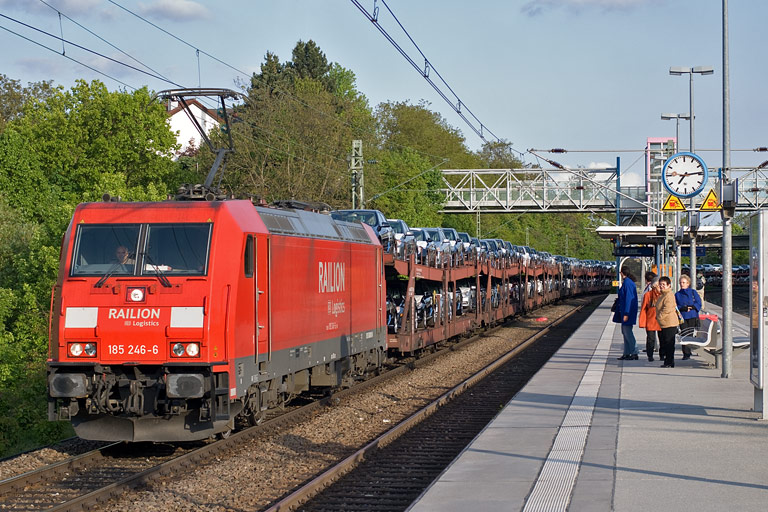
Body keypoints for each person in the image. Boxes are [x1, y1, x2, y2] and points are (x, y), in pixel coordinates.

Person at [613, 266, 639, 360]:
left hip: (627, 312)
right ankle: (627, 352)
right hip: (626, 311)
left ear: (621, 273)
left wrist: (626, 314)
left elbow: (629, 299)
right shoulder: (628, 282)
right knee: (625, 332)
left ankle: (634, 352)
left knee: (627, 332)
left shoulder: (627, 283)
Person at [675, 274, 702, 360]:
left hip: (692, 316)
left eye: (684, 282)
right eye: (681, 282)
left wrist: (692, 307)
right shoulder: (677, 294)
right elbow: (675, 305)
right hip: (682, 316)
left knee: (690, 333)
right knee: (684, 333)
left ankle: (688, 350)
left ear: (688, 283)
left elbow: (698, 303)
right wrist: (682, 308)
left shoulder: (693, 292)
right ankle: (686, 353)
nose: (682, 284)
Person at [655, 276, 678, 368]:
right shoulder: (663, 294)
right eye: (660, 284)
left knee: (669, 343)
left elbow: (667, 309)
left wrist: (659, 317)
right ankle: (668, 361)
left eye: (664, 284)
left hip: (669, 323)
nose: (661, 286)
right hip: (664, 323)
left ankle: (669, 362)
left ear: (669, 285)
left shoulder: (669, 295)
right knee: (665, 342)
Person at [638, 272, 661, 362]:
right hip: (651, 320)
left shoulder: (663, 295)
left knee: (662, 338)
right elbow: (644, 308)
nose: (659, 287)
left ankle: (662, 355)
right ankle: (650, 355)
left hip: (660, 320)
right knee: (651, 339)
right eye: (658, 285)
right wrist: (642, 321)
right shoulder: (648, 295)